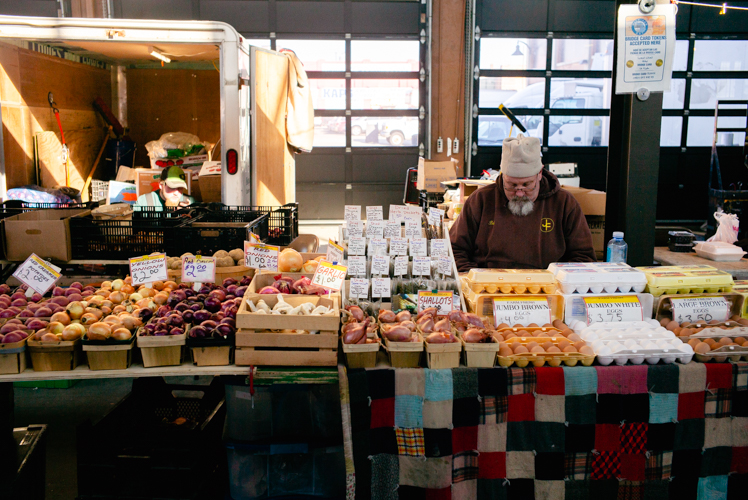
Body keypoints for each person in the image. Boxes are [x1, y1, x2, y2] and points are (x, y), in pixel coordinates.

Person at [450, 134, 596, 271]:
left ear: (539, 174)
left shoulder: (564, 204)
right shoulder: (480, 200)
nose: (519, 193)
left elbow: (583, 258)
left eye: (526, 185)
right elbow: (454, 250)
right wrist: (474, 279)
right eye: (512, 185)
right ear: (502, 175)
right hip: (487, 288)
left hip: (547, 290)